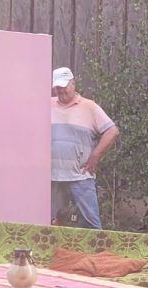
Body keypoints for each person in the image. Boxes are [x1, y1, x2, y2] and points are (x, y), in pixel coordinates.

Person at [50, 67, 117, 229]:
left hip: (80, 177)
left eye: (64, 86)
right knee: (51, 224)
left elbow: (112, 131)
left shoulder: (89, 107)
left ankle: (96, 247)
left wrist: (95, 156)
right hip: (52, 177)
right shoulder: (47, 105)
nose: (61, 91)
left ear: (73, 84)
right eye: (57, 87)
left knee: (92, 224)